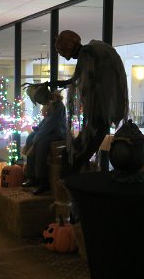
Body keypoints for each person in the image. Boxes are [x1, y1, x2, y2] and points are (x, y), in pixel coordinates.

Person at [54, 30, 129, 174]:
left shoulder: (87, 53)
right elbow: (77, 79)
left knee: (75, 156)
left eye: (62, 52)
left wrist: (57, 84)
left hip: (100, 112)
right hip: (103, 110)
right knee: (78, 153)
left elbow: (76, 79)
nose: (64, 56)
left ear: (67, 48)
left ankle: (72, 182)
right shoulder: (92, 50)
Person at [21, 91, 67, 195]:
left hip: (57, 133)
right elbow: (46, 121)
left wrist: (38, 136)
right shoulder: (50, 105)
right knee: (30, 138)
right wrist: (38, 129)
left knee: (41, 144)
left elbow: (51, 123)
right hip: (48, 131)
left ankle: (43, 180)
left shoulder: (58, 106)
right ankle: (32, 176)